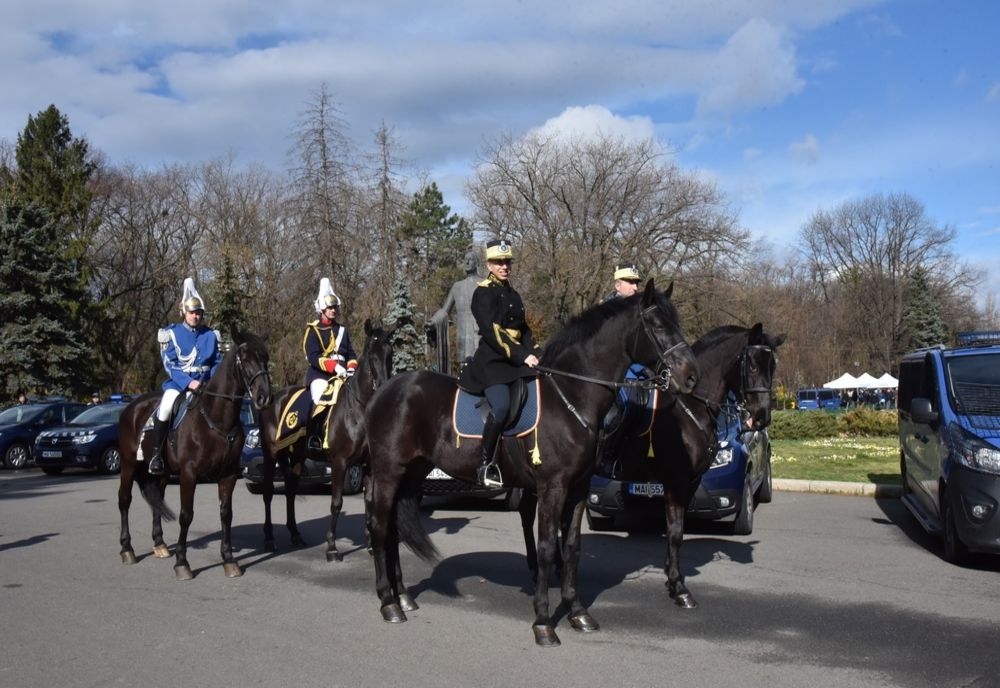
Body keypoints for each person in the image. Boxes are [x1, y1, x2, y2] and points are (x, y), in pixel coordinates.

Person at [458, 239, 540, 487]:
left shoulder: (513, 293)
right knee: (502, 406)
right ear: (488, 265)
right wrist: (523, 355)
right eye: (498, 262)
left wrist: (537, 351)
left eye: (507, 262)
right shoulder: (483, 292)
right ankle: (486, 464)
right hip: (492, 362)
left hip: (515, 360)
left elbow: (523, 330)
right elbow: (493, 332)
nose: (504, 266)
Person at [147, 277, 223, 475]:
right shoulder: (171, 333)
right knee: (165, 408)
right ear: (184, 313)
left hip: (206, 385)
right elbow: (170, 365)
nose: (195, 317)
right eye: (192, 313)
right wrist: (189, 383)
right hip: (178, 385)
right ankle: (157, 455)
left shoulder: (210, 335)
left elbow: (216, 362)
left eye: (198, 313)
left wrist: (213, 383)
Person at [302, 278, 358, 447]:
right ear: (322, 309)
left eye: (335, 307)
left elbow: (351, 355)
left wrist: (351, 368)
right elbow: (313, 356)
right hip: (320, 375)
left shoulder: (342, 330)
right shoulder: (313, 330)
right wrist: (334, 367)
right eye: (330, 308)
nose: (334, 310)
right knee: (319, 398)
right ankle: (314, 436)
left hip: (343, 375)